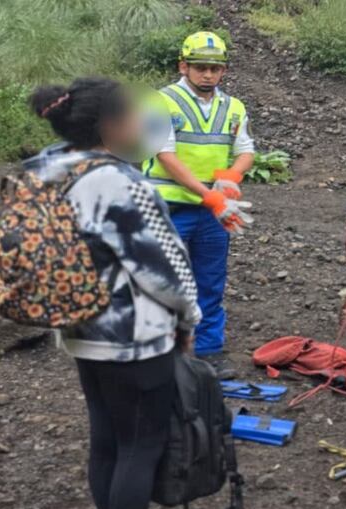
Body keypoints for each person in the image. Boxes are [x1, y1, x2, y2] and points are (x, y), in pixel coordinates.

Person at [27, 78, 204, 509]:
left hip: (81, 330)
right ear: (109, 125)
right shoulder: (120, 182)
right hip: (133, 337)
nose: (139, 123)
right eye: (130, 115)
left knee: (107, 442)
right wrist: (189, 319)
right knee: (139, 448)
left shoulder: (48, 166)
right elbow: (163, 269)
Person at [143, 31, 255, 379]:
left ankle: (207, 351)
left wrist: (231, 177)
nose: (208, 74)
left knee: (210, 281)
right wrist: (210, 196)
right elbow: (166, 156)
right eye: (200, 67)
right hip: (169, 207)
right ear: (184, 67)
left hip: (211, 212)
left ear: (224, 70)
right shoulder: (160, 102)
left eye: (214, 68)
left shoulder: (233, 107)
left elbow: (245, 151)